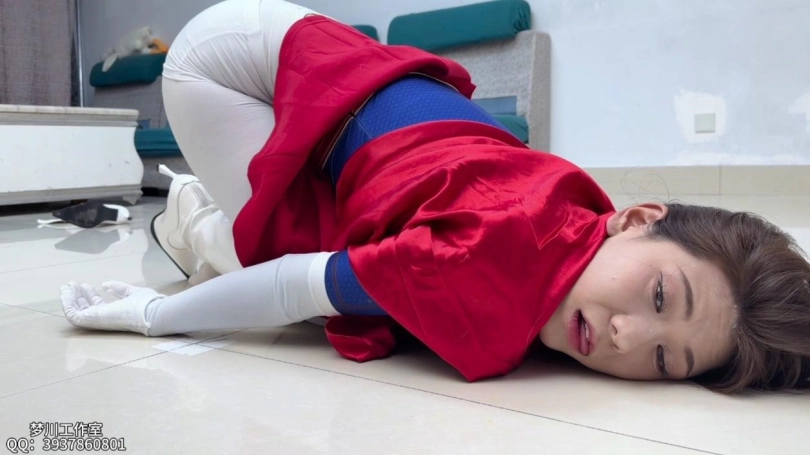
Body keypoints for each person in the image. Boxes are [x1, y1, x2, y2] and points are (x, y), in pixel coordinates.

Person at [60, 0, 809, 394]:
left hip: (322, 57)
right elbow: (292, 285)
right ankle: (196, 218)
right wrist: (151, 315)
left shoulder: (584, 219)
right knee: (320, 292)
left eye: (665, 360)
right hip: (225, 67)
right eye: (659, 296)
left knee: (362, 273)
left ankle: (203, 216)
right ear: (639, 218)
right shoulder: (485, 255)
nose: (625, 335)